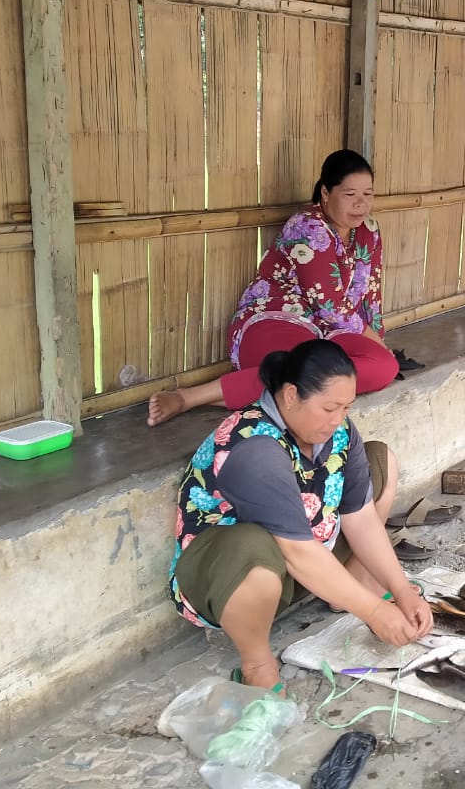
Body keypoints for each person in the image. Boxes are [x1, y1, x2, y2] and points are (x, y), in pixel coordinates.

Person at [168, 339, 432, 688]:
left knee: (379, 461)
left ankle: (352, 586)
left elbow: (361, 518)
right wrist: (374, 611)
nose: (338, 421)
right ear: (291, 396)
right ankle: (257, 664)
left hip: (305, 556)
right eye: (329, 408)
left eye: (346, 408)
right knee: (252, 545)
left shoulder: (339, 434)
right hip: (229, 577)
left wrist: (400, 590)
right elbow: (295, 550)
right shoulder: (254, 446)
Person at [147, 149, 399, 427]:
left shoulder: (368, 230)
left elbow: (370, 294)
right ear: (326, 193)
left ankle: (302, 385)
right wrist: (373, 343)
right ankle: (187, 397)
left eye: (368, 194)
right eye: (350, 194)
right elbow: (331, 307)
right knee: (295, 375)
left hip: (330, 332)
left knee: (385, 366)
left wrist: (378, 342)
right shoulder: (307, 227)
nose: (361, 204)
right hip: (279, 318)